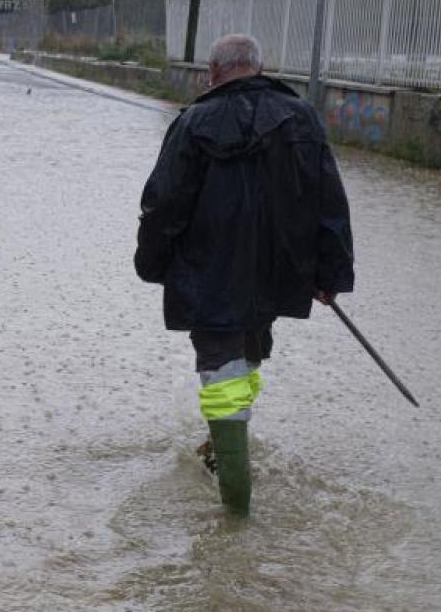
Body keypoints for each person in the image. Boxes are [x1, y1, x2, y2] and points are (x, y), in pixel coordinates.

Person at [134, 34, 355, 517]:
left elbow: (163, 204)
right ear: (259, 67)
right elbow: (330, 202)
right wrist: (330, 272)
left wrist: (151, 264)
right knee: (246, 354)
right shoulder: (301, 119)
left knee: (221, 368)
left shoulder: (193, 122)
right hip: (277, 273)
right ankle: (222, 453)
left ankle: (236, 509)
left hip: (209, 274)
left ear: (212, 73)